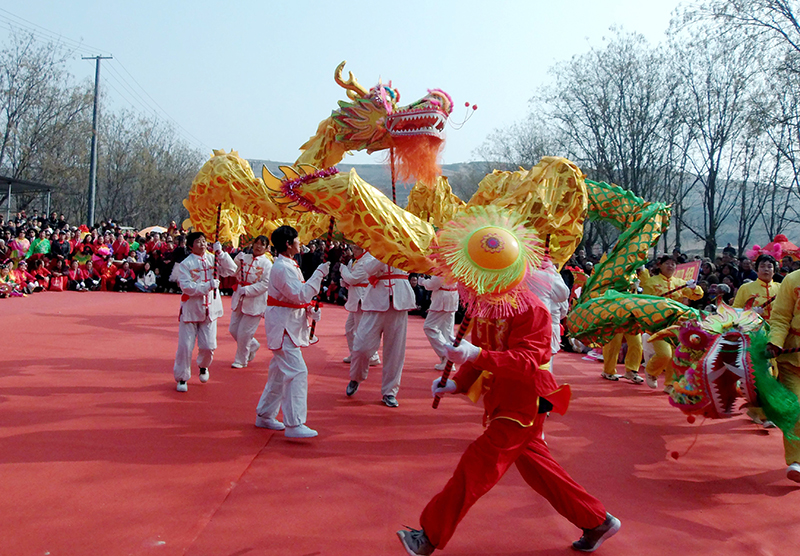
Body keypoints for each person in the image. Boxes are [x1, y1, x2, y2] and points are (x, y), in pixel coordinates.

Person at [397, 208, 619, 555]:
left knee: (478, 464)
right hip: (503, 399)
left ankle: (428, 536)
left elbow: (527, 361)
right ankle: (597, 521)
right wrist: (458, 381)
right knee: (540, 471)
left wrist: (474, 357)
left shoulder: (532, 308)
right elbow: (485, 350)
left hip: (524, 402)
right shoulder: (488, 305)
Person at [255, 225, 329, 438]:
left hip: (288, 323)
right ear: (288, 244)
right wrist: (318, 275)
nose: (300, 243)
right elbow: (300, 295)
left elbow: (295, 298)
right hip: (283, 326)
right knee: (297, 371)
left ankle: (265, 414)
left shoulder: (289, 265)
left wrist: (310, 310)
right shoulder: (282, 268)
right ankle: (294, 423)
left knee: (279, 374)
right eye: (297, 239)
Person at [343, 251, 416, 408]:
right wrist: (385, 252)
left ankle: (390, 391)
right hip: (375, 300)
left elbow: (413, 264)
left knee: (395, 351)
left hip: (399, 301)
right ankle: (356, 376)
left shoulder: (407, 244)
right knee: (361, 346)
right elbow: (369, 269)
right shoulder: (374, 247)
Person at [172, 231, 236, 392]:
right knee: (185, 346)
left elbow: (231, 269)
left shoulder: (213, 259)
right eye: (198, 242)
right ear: (190, 246)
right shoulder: (186, 264)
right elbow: (186, 287)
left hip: (210, 309)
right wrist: (207, 286)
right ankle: (182, 378)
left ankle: (203, 366)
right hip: (191, 310)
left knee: (208, 346)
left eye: (204, 241)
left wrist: (221, 253)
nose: (203, 244)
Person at [641, 255, 703, 391]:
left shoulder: (680, 282)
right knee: (665, 354)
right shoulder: (651, 282)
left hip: (677, 323)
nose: (670, 266)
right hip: (658, 323)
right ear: (659, 265)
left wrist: (694, 288)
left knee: (677, 355)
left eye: (673, 264)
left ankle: (670, 383)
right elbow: (644, 303)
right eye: (667, 263)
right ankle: (651, 371)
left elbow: (697, 295)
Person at [766, 267, 800, 483]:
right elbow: (780, 317)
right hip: (791, 359)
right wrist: (775, 342)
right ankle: (797, 460)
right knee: (795, 408)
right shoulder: (793, 279)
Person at [229, 235, 272, 368]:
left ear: (267, 248)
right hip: (239, 298)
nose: (258, 246)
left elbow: (266, 284)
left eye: (262, 244)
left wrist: (248, 290)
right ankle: (252, 345)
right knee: (233, 329)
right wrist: (233, 258)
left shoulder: (267, 264)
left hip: (255, 301)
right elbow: (231, 271)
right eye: (256, 243)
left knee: (244, 333)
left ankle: (241, 359)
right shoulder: (244, 258)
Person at [339, 245, 380, 366]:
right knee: (350, 329)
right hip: (355, 297)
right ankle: (355, 354)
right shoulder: (356, 260)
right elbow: (350, 279)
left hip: (362, 298)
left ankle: (372, 355)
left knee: (362, 329)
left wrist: (343, 270)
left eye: (355, 248)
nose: (353, 251)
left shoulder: (367, 260)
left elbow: (353, 279)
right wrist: (344, 278)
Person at [418, 274, 459, 370]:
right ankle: (448, 362)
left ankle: (447, 355)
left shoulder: (443, 263)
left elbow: (433, 284)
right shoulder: (455, 261)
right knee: (447, 330)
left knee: (429, 327)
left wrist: (422, 281)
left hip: (442, 298)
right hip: (451, 296)